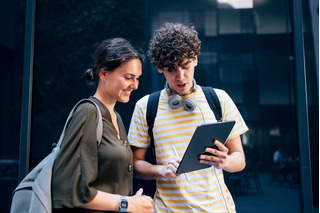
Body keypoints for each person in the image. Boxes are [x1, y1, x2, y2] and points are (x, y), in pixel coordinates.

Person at [128, 23, 249, 212]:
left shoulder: (219, 99)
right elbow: (136, 166)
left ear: (195, 59)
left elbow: (239, 160)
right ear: (160, 68)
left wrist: (225, 162)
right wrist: (161, 170)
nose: (180, 76)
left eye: (185, 66)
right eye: (171, 69)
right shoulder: (146, 107)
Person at [51, 38, 154, 213]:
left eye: (137, 79)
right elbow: (70, 189)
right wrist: (128, 204)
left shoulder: (117, 118)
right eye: (128, 77)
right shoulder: (87, 113)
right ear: (103, 73)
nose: (135, 85)